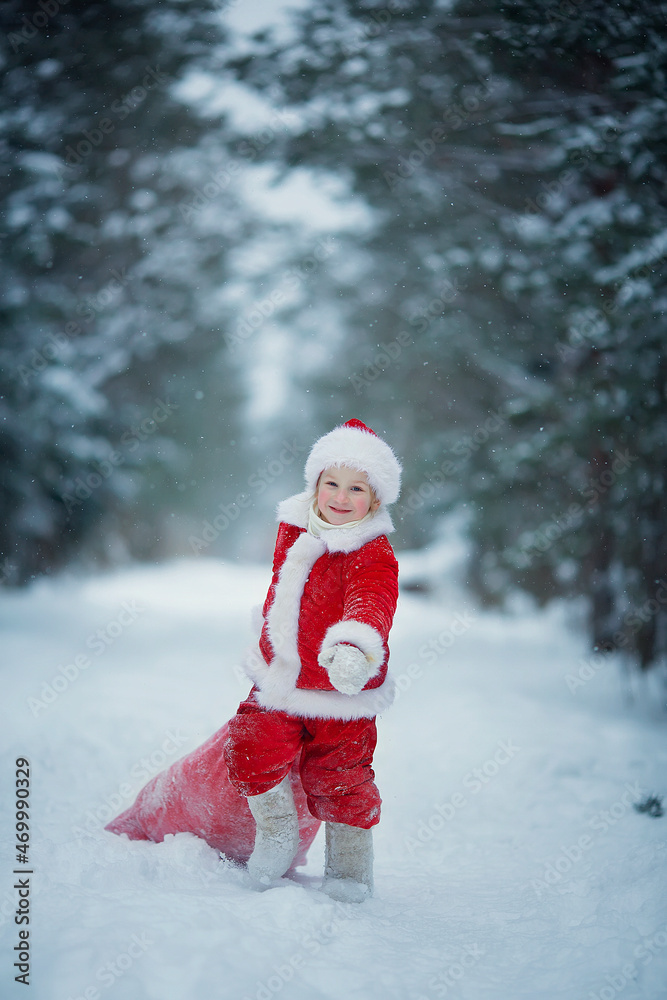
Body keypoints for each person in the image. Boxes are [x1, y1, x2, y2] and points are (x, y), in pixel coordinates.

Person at [223, 418, 402, 902]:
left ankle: (348, 868)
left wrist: (354, 646)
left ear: (376, 499)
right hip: (282, 678)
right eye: (332, 483)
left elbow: (372, 600)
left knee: (341, 777)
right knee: (249, 745)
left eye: (356, 488)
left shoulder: (373, 552)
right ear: (315, 486)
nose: (341, 497)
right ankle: (277, 831)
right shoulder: (295, 528)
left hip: (342, 689)